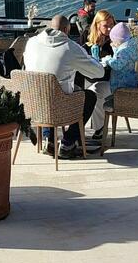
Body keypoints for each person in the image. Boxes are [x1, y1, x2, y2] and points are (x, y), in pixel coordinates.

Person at [22, 15, 107, 158]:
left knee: (48, 89)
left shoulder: (31, 42)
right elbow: (99, 72)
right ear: (67, 30)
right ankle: (68, 143)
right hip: (59, 106)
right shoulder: (70, 47)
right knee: (89, 96)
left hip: (32, 103)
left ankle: (49, 139)